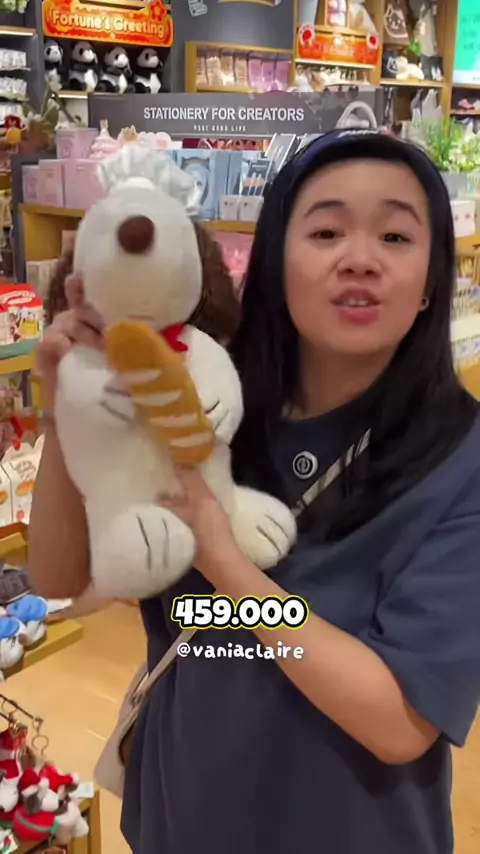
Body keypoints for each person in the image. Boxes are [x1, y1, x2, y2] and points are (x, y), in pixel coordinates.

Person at [30, 130, 480, 854]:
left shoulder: (461, 457)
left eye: (395, 236)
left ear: (431, 280)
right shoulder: (200, 393)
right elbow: (59, 578)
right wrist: (67, 411)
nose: (359, 258)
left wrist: (227, 563)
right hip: (180, 815)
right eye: (326, 231)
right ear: (274, 263)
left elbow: (400, 722)